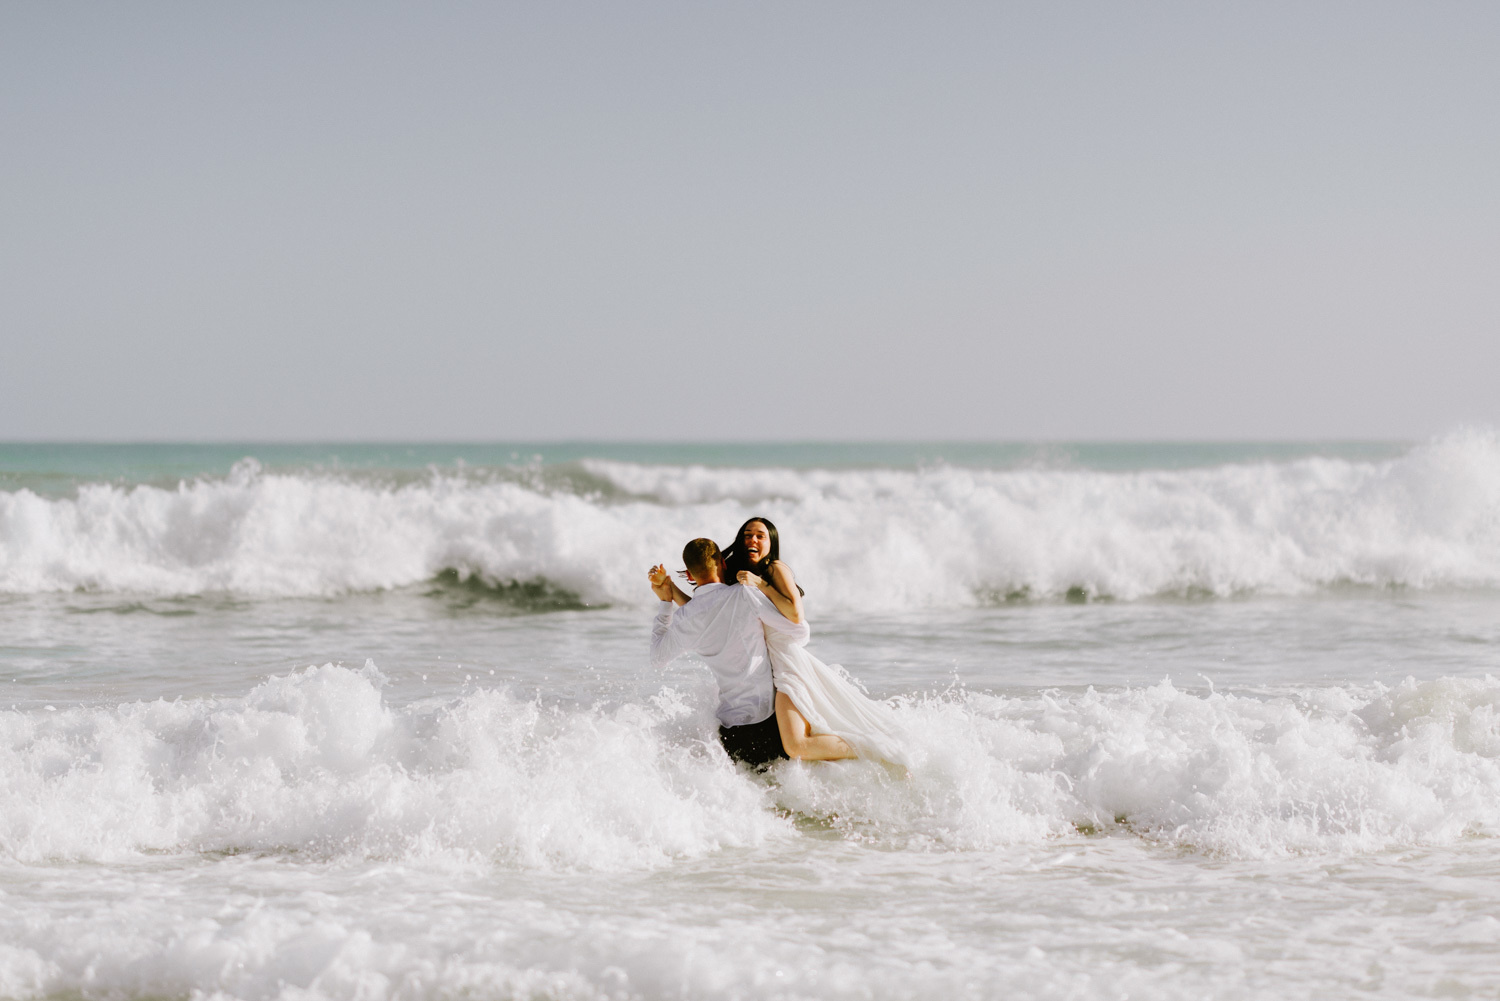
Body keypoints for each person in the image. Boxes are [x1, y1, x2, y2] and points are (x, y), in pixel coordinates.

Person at [656, 518, 910, 766]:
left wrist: (761, 585)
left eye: (760, 535)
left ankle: (873, 748)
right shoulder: (740, 586)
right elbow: (708, 613)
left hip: (787, 663)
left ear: (772, 543)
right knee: (800, 746)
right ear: (724, 560)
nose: (752, 539)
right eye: (746, 535)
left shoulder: (773, 570)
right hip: (771, 671)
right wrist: (671, 592)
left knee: (796, 746)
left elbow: (799, 625)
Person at [647, 537, 848, 766]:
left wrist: (665, 603)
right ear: (723, 563)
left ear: (690, 576)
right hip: (771, 723)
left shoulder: (685, 617)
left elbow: (657, 659)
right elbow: (800, 632)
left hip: (732, 734)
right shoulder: (744, 594)